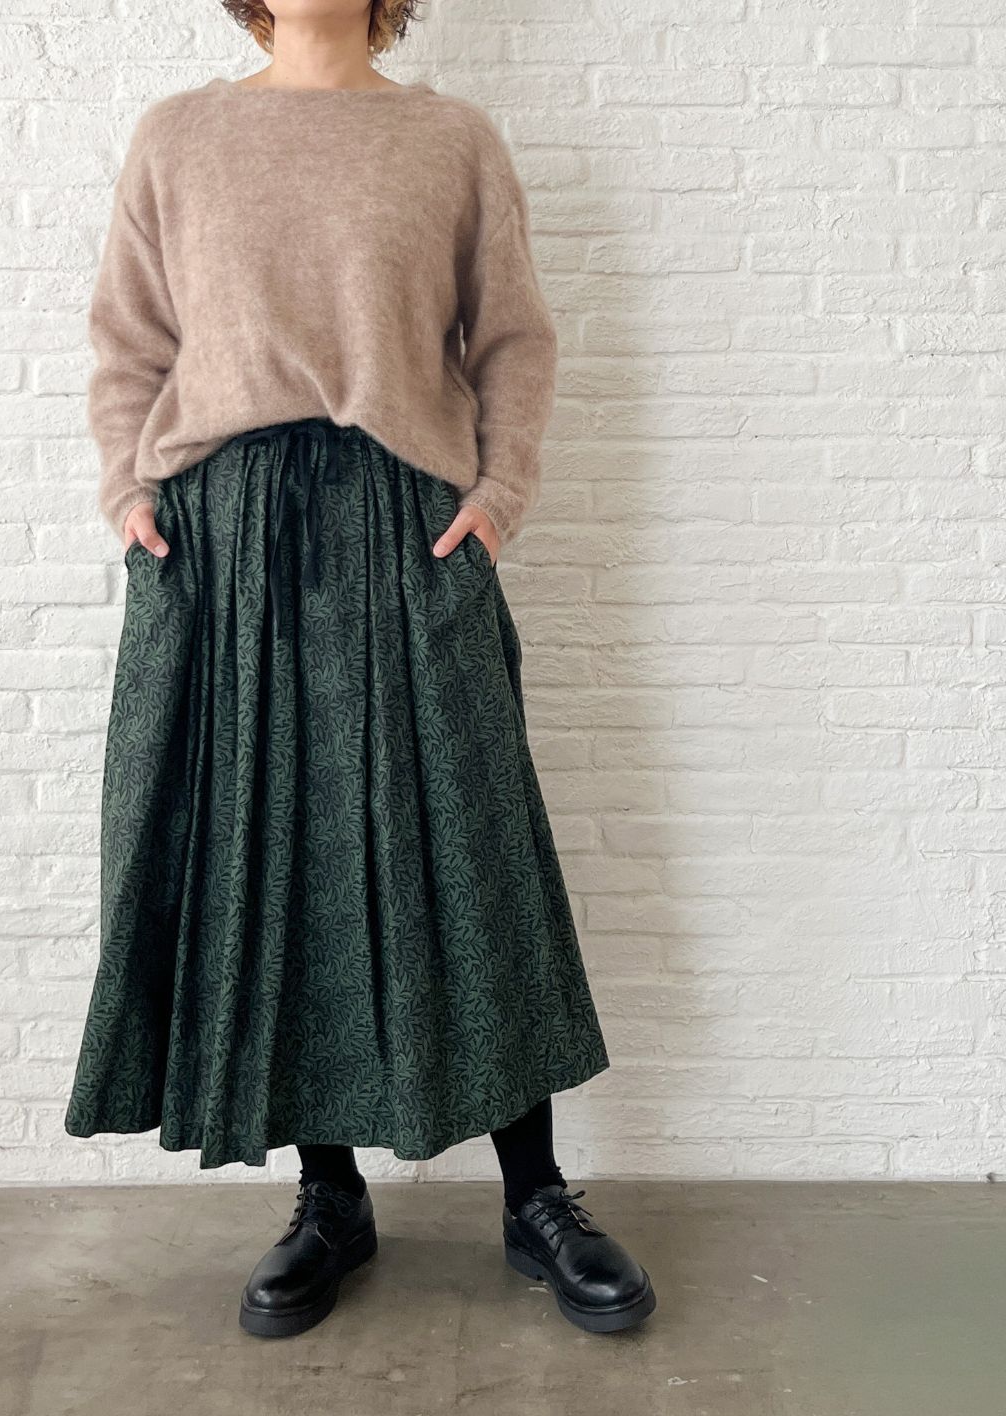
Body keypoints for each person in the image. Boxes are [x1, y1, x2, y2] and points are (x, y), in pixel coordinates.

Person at [64, 0, 655, 1339]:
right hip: (227, 532)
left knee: (473, 850)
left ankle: (535, 1195)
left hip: (407, 520)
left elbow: (513, 339)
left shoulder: (451, 142)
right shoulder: (179, 137)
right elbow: (130, 340)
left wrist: (496, 496)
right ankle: (329, 1196)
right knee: (274, 852)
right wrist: (128, 491)